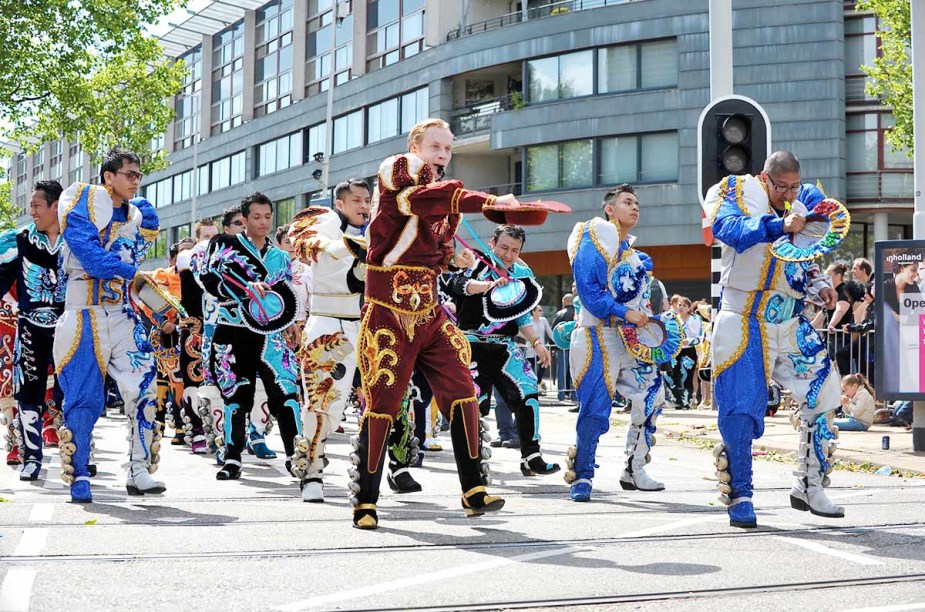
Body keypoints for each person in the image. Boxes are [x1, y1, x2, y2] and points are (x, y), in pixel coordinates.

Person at [349, 118, 509, 529]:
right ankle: (365, 500)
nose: (442, 155)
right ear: (415, 146)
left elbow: (433, 248)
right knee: (383, 403)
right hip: (388, 310)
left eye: (448, 148)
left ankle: (474, 488)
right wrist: (486, 201)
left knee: (463, 391)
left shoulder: (443, 197)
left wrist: (452, 258)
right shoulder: (398, 169)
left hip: (431, 310)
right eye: (435, 146)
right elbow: (418, 201)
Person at [703, 150, 843, 528]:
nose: (788, 193)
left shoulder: (805, 200)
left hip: (791, 319)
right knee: (740, 409)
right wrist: (778, 225)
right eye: (781, 186)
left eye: (794, 187)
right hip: (744, 318)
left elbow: (806, 253)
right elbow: (728, 229)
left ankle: (809, 485)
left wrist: (818, 283)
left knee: (825, 392)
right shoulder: (734, 191)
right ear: (765, 178)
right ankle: (740, 495)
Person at [288, 178, 420, 502]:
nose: (363, 206)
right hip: (329, 326)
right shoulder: (325, 229)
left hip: (372, 326)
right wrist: (362, 250)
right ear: (340, 204)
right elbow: (338, 265)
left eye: (367, 200)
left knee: (395, 398)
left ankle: (397, 467)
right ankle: (312, 473)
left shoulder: (379, 232)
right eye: (356, 200)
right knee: (322, 403)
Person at [54, 148, 164, 502]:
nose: (136, 181)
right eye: (129, 174)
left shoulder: (138, 215)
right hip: (84, 313)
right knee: (84, 398)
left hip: (122, 314)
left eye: (139, 175)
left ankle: (138, 469)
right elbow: (92, 258)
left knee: (145, 388)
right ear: (108, 177)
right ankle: (79, 473)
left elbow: (130, 263)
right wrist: (132, 273)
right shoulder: (82, 200)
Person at [565, 183, 666, 502]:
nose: (635, 207)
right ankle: (583, 474)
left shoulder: (634, 256)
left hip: (631, 340)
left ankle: (635, 469)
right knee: (595, 409)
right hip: (598, 335)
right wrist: (625, 313)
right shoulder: (593, 236)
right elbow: (590, 294)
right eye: (627, 202)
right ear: (610, 209)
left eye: (637, 203)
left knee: (653, 396)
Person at [199, 192, 301, 481]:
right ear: (244, 219)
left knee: (286, 393)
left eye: (268, 216)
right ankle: (232, 458)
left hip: (271, 336)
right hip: (234, 331)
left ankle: (296, 456)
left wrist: (292, 321)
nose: (263, 222)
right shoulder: (225, 245)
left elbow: (285, 293)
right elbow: (209, 279)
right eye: (256, 217)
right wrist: (245, 287)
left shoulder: (281, 256)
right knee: (236, 396)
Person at [446, 224, 559, 477]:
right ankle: (473, 463)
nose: (508, 255)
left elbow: (522, 316)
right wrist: (484, 285)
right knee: (475, 402)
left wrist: (537, 343)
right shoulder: (474, 261)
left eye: (515, 250)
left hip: (505, 346)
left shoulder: (521, 273)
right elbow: (457, 285)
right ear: (492, 243)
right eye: (504, 247)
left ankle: (531, 456)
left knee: (528, 390)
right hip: (471, 344)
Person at [0, 181, 65, 480]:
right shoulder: (20, 240)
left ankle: (77, 455)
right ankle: (32, 456)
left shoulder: (75, 240)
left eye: (37, 205)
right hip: (30, 329)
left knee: (72, 391)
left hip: (69, 329)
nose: (32, 212)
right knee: (29, 392)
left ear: (55, 206)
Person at [175, 220, 219, 455]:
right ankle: (197, 431)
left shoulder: (224, 260)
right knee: (192, 379)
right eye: (206, 236)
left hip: (219, 328)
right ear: (197, 238)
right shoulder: (187, 258)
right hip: (194, 328)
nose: (210, 241)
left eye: (214, 236)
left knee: (220, 379)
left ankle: (220, 429)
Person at [664, 295, 702, 410]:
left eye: (684, 305)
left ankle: (687, 401)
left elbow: (700, 337)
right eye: (679, 305)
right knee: (670, 375)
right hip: (675, 350)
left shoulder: (695, 319)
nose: (680, 307)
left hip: (688, 351)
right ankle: (677, 399)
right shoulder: (673, 319)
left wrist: (689, 341)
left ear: (689, 308)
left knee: (686, 376)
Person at [524, 304, 555, 391]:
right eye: (539, 310)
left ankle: (537, 384)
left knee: (543, 366)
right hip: (530, 348)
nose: (541, 312)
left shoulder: (543, 320)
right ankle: (532, 387)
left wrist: (558, 342)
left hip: (541, 348)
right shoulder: (528, 321)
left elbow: (550, 333)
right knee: (531, 368)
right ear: (533, 312)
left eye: (542, 310)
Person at [552, 292, 575, 401]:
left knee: (562, 370)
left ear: (564, 302)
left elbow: (554, 330)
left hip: (562, 345)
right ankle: (574, 394)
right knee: (574, 370)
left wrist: (553, 347)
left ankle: (561, 395)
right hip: (575, 345)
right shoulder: (578, 313)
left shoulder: (560, 313)